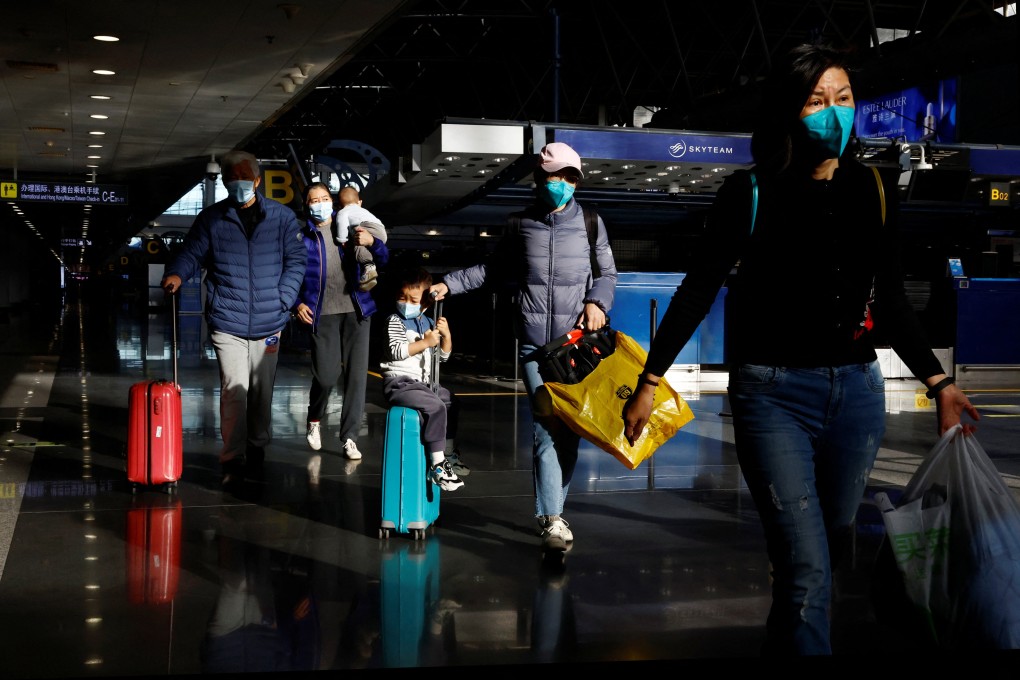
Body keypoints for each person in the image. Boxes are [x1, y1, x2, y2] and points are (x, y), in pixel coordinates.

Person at [621, 43, 980, 656]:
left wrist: (940, 386)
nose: (835, 113)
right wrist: (650, 380)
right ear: (790, 112)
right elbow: (697, 291)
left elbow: (891, 301)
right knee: (808, 567)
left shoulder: (875, 188)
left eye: (844, 99)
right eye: (818, 101)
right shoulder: (750, 192)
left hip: (857, 397)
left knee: (824, 551)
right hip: (772, 393)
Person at [430, 141, 618, 550]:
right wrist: (450, 282)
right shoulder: (520, 224)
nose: (564, 185)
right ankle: (551, 518)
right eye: (557, 177)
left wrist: (597, 302)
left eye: (571, 178)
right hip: (535, 347)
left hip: (576, 346)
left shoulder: (590, 222)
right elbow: (493, 270)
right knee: (546, 430)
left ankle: (555, 511)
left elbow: (607, 273)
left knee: (570, 433)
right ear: (540, 179)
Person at [162, 149, 307, 488]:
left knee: (261, 393)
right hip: (227, 320)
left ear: (257, 180)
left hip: (271, 322)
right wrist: (177, 274)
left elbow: (296, 262)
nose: (239, 186)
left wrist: (283, 299)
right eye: (233, 181)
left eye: (245, 180)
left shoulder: (282, 218)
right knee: (234, 391)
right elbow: (192, 253)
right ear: (226, 183)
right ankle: (232, 457)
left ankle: (257, 449)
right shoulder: (212, 218)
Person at [295, 182, 390, 467]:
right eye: (314, 200)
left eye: (325, 198)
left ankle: (349, 437)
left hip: (357, 311)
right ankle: (314, 417)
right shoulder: (301, 238)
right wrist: (297, 303)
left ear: (333, 203)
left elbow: (383, 260)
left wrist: (373, 243)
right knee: (325, 377)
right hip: (321, 314)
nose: (320, 203)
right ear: (307, 205)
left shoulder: (350, 226)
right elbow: (290, 273)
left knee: (357, 378)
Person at [380, 267, 464, 491]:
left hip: (424, 384)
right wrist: (424, 343)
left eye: (413, 299)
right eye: (402, 297)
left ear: (426, 300)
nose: (406, 303)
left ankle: (447, 451)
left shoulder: (428, 322)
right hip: (400, 383)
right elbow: (397, 351)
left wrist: (446, 336)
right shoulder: (394, 321)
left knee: (450, 401)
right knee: (436, 406)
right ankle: (437, 464)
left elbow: (442, 357)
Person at [335, 186, 388, 292]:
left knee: (358, 244)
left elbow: (341, 223)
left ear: (340, 205)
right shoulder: (363, 210)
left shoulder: (343, 211)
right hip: (381, 231)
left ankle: (369, 267)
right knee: (365, 245)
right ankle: (369, 271)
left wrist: (342, 239)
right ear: (359, 202)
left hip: (366, 227)